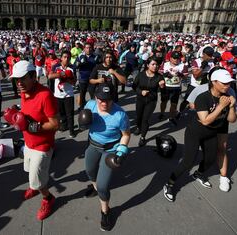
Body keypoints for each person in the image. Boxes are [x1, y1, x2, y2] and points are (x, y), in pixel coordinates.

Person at [163, 68, 237, 202]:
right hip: (196, 132)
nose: (228, 86)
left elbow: (232, 119)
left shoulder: (228, 97)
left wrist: (231, 106)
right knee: (188, 161)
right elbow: (205, 120)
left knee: (210, 159)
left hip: (212, 133)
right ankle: (169, 183)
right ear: (214, 82)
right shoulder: (203, 97)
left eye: (229, 83)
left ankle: (198, 174)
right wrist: (220, 107)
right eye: (224, 83)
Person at [6, 60, 59, 220]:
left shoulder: (45, 95)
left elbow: (56, 124)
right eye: (16, 79)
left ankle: (48, 198)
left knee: (37, 180)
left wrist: (36, 127)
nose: (19, 83)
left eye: (22, 78)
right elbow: (28, 113)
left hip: (42, 146)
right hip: (28, 143)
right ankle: (35, 186)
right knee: (30, 171)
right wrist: (16, 112)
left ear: (34, 76)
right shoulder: (24, 91)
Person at [81, 83, 130, 231]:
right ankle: (95, 187)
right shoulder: (90, 105)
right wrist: (82, 124)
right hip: (93, 146)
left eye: (107, 100)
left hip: (110, 150)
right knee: (89, 171)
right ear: (95, 98)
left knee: (103, 186)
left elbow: (126, 135)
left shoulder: (120, 115)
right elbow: (85, 125)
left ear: (112, 99)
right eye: (100, 99)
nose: (104, 103)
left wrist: (121, 151)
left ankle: (105, 211)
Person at [132, 57, 165, 146]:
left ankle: (143, 137)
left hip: (151, 101)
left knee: (145, 119)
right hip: (140, 99)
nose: (155, 66)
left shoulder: (159, 77)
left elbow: (163, 92)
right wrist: (140, 92)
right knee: (139, 117)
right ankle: (139, 128)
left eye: (157, 65)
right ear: (147, 65)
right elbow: (134, 86)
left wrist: (162, 87)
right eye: (153, 64)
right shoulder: (141, 74)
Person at [48, 50, 77, 137]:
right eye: (64, 57)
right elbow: (50, 76)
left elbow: (74, 82)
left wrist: (67, 78)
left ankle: (72, 130)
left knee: (70, 114)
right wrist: (60, 74)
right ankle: (64, 126)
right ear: (61, 58)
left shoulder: (72, 67)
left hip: (69, 94)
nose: (66, 59)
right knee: (61, 113)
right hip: (58, 95)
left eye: (68, 57)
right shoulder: (56, 66)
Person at [159, 51, 188, 125]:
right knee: (164, 102)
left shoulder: (183, 65)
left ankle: (171, 117)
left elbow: (185, 77)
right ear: (170, 58)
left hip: (176, 88)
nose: (176, 60)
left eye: (177, 58)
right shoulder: (165, 64)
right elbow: (159, 72)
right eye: (174, 58)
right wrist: (165, 74)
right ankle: (162, 113)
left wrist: (179, 74)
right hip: (166, 87)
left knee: (174, 104)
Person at [74, 43, 98, 110]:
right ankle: (81, 107)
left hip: (92, 78)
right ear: (84, 49)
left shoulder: (96, 56)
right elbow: (74, 66)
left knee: (93, 94)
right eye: (87, 48)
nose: (88, 49)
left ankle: (94, 107)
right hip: (83, 78)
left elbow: (99, 66)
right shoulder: (80, 56)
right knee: (82, 93)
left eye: (90, 47)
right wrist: (79, 64)